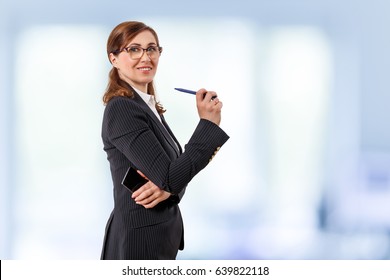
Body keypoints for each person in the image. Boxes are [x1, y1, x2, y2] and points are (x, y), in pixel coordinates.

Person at [100, 21, 229, 260]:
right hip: (138, 245)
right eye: (134, 49)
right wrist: (208, 125)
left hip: (158, 240)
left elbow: (175, 175)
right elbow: (171, 177)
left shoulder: (148, 108)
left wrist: (170, 190)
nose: (145, 56)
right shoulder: (123, 109)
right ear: (114, 58)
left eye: (152, 49)